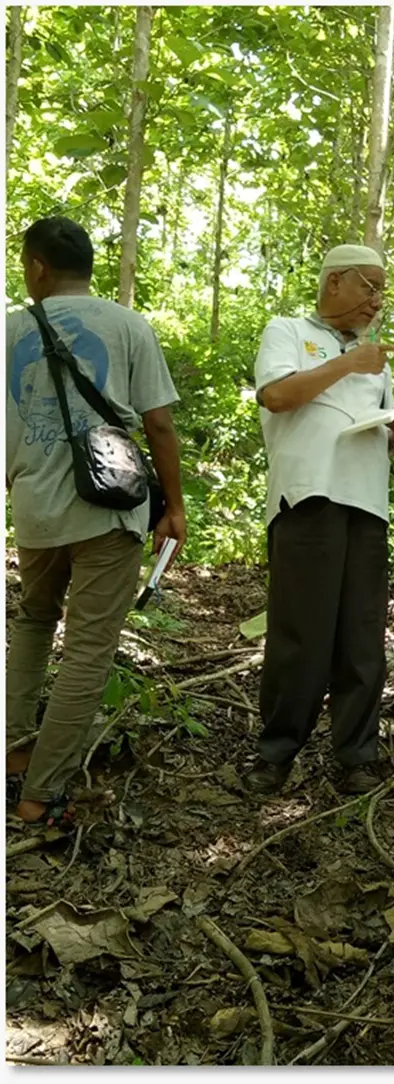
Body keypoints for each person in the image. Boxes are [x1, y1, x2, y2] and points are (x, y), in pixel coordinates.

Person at [6, 216, 185, 824]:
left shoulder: (9, 332)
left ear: (36, 267)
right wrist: (176, 507)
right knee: (86, 648)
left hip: (35, 509)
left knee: (33, 619)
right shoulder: (128, 325)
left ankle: (11, 755)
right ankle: (42, 793)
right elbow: (158, 423)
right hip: (111, 507)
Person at [248, 243, 394, 796]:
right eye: (368, 285)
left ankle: (356, 757)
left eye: (381, 289)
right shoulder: (289, 330)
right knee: (300, 630)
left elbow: (383, 429)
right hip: (308, 495)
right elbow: (276, 395)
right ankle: (276, 753)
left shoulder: (373, 355)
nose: (376, 300)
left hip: (366, 500)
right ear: (334, 282)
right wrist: (347, 362)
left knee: (361, 635)